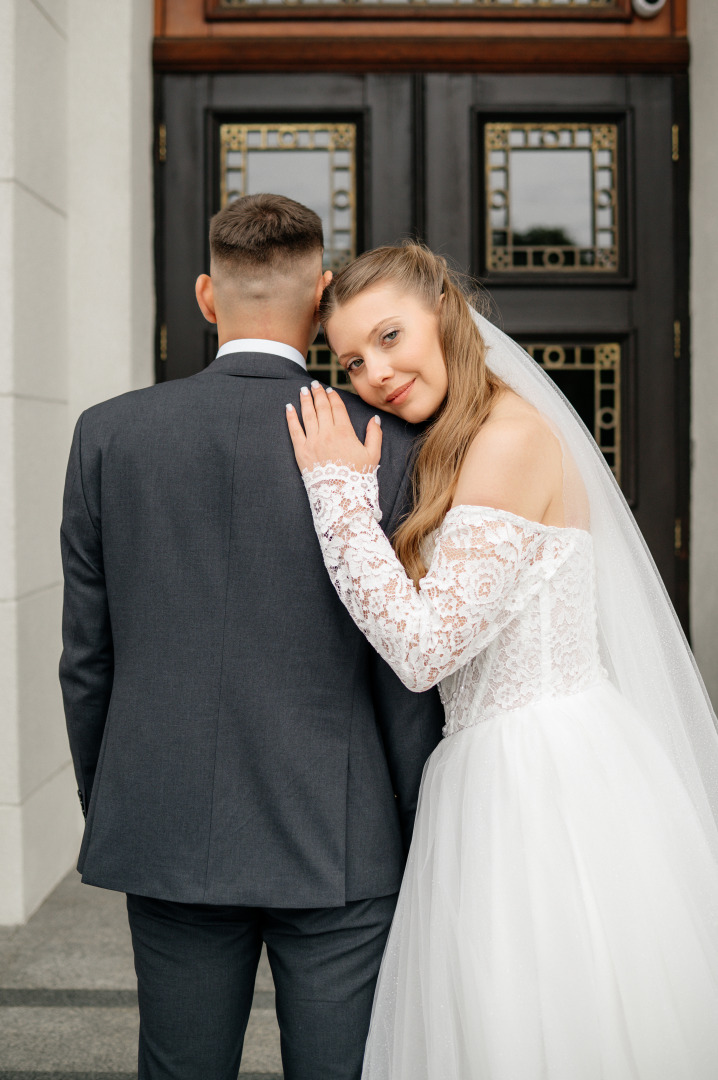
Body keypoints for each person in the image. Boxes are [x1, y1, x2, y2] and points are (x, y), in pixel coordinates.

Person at [285, 243, 718, 1079]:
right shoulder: (470, 435)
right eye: (352, 360)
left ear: (445, 312)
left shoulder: (511, 440)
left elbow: (422, 650)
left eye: (389, 336)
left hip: (543, 776)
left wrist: (338, 497)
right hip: (491, 763)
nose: (375, 372)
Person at [58, 197, 444, 1080]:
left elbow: (88, 660)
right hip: (344, 839)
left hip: (166, 819)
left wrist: (120, 798)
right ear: (321, 297)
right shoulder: (385, 440)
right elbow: (406, 671)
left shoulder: (108, 436)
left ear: (205, 297)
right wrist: (416, 827)